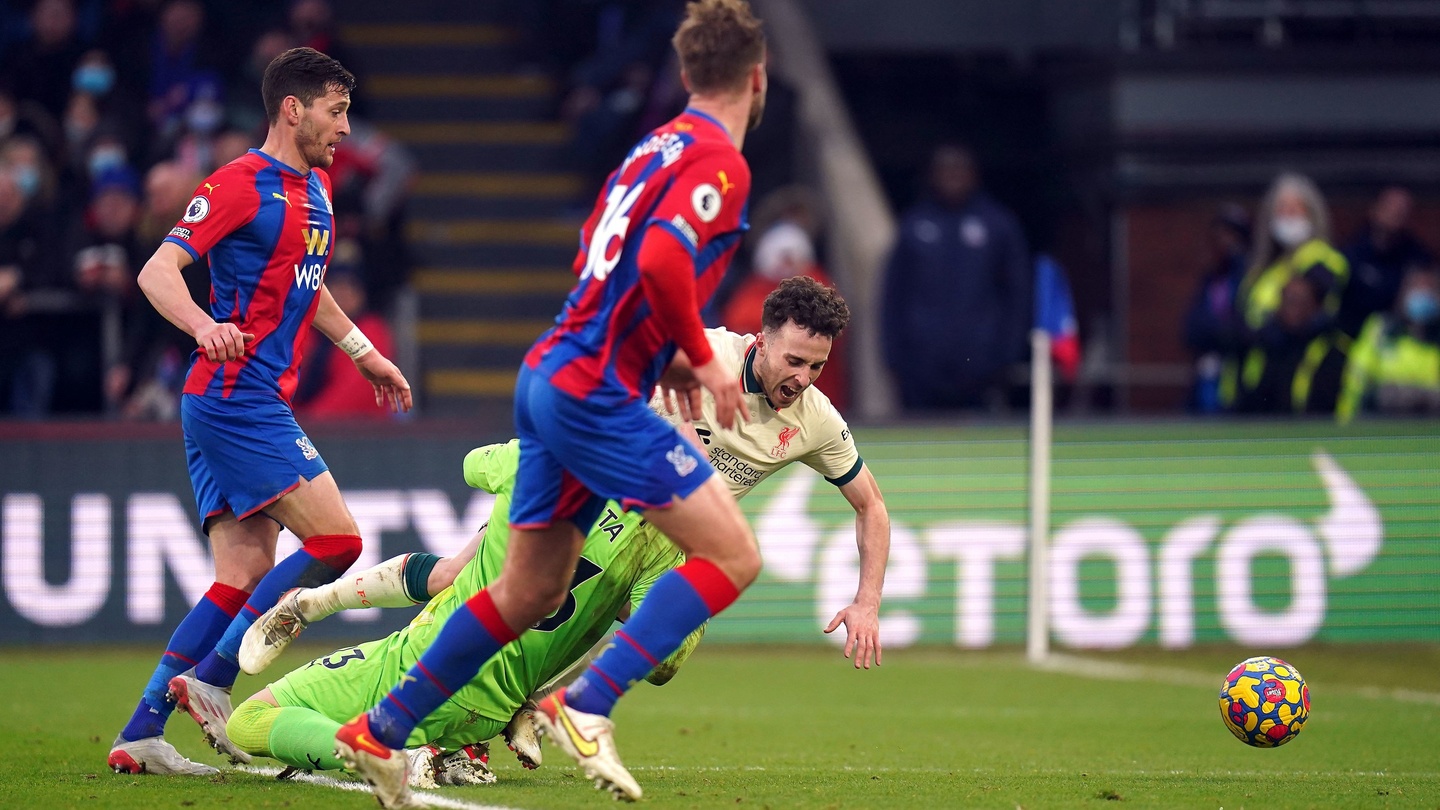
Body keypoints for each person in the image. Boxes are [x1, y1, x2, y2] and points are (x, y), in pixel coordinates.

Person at [334, 2, 766, 804]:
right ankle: (588, 703)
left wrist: (660, 355)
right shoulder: (719, 161)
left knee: (528, 592)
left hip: (551, 374)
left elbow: (599, 265)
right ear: (757, 78)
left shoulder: (649, 149)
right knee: (734, 556)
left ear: (684, 74)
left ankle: (381, 730)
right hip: (597, 393)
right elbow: (667, 259)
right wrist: (704, 359)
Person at [249, 277, 884, 784]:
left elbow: (871, 507)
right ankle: (310, 605)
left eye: (818, 367)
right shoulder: (701, 353)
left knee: (653, 647)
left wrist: (866, 601)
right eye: (795, 360)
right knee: (463, 582)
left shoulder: (816, 420)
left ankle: (522, 706)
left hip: (669, 539)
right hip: (596, 493)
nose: (802, 378)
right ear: (761, 340)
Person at [107, 47, 412, 777]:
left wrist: (361, 349)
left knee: (240, 574)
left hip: (240, 401)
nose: (345, 129)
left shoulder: (318, 190)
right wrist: (201, 325)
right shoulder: (240, 183)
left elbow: (310, 287)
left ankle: (142, 731)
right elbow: (157, 271)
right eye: (335, 112)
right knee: (337, 540)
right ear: (292, 109)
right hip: (233, 398)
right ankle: (214, 676)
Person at [223, 439, 700, 786]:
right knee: (450, 576)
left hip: (424, 667)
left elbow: (471, 464)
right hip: (492, 711)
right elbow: (664, 662)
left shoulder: (535, 460)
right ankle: (446, 749)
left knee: (248, 720)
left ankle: (381, 747)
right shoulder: (664, 547)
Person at [881, 144, 1031, 411]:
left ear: (974, 174)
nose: (952, 177)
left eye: (959, 169)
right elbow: (894, 295)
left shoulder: (997, 224)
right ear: (932, 175)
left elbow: (1017, 293)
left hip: (981, 362)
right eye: (945, 170)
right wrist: (893, 355)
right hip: (923, 364)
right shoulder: (915, 225)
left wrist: (1008, 354)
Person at [1237, 172, 1348, 335]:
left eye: (1296, 208)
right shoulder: (1267, 269)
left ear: (1312, 213)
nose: (1289, 215)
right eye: (1282, 208)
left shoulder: (1324, 260)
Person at [1228, 277, 1347, 415]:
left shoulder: (1330, 349)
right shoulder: (1265, 347)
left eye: (1299, 301)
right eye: (1288, 301)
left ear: (1315, 306)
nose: (1292, 308)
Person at [1337, 263, 1440, 422]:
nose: (1422, 294)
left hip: (1431, 429)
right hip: (1380, 423)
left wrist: (1422, 397)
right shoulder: (1381, 329)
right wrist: (1346, 424)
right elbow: (1356, 380)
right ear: (1403, 291)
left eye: (1429, 288)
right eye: (1416, 287)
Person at [1183, 204, 1251, 413]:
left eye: (1232, 234)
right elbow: (1190, 328)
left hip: (1240, 376)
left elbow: (1244, 329)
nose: (1225, 241)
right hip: (1207, 376)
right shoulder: (1211, 279)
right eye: (1220, 234)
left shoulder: (1249, 277)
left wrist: (1223, 333)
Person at [1338, 186, 1432, 338]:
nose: (1396, 214)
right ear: (1374, 210)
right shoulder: (1351, 252)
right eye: (1391, 207)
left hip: (1396, 340)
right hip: (1349, 337)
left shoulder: (1418, 258)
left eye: (1403, 210)